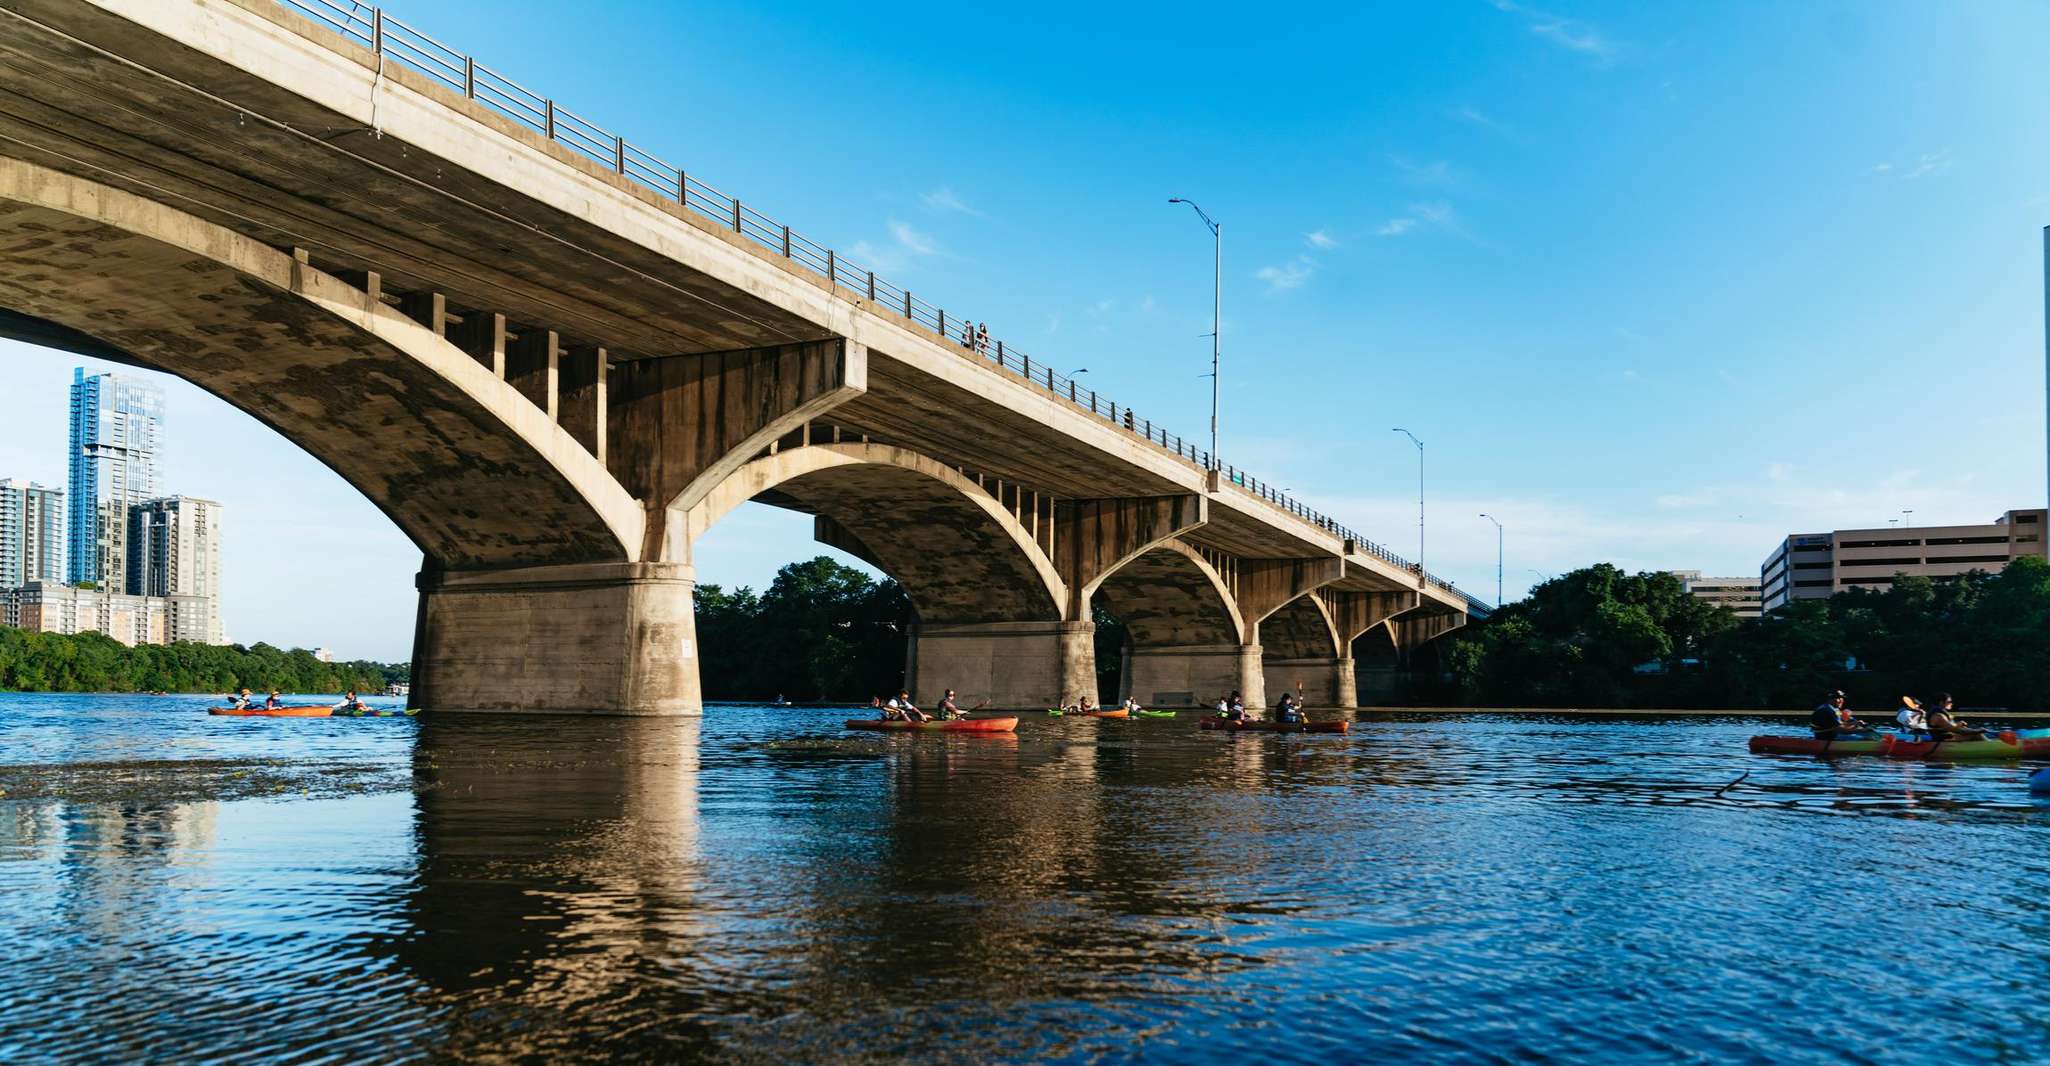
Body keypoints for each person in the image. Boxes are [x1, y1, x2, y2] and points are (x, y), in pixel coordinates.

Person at [1809, 690, 1873, 740]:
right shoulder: (1828, 710)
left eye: (1842, 699)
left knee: (1859, 728)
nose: (1841, 701)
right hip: (1827, 737)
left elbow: (1840, 724)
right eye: (1839, 698)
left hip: (1828, 734)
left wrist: (1856, 723)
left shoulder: (1831, 708)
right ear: (1831, 699)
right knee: (1865, 738)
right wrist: (1861, 730)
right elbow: (1842, 730)